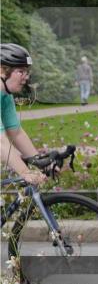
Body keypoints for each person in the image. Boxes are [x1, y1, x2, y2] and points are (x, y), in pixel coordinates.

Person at [1, 43, 47, 186]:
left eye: (27, 72)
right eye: (21, 71)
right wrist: (25, 172)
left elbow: (16, 133)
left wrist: (40, 162)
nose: (26, 77)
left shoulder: (5, 96)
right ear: (2, 71)